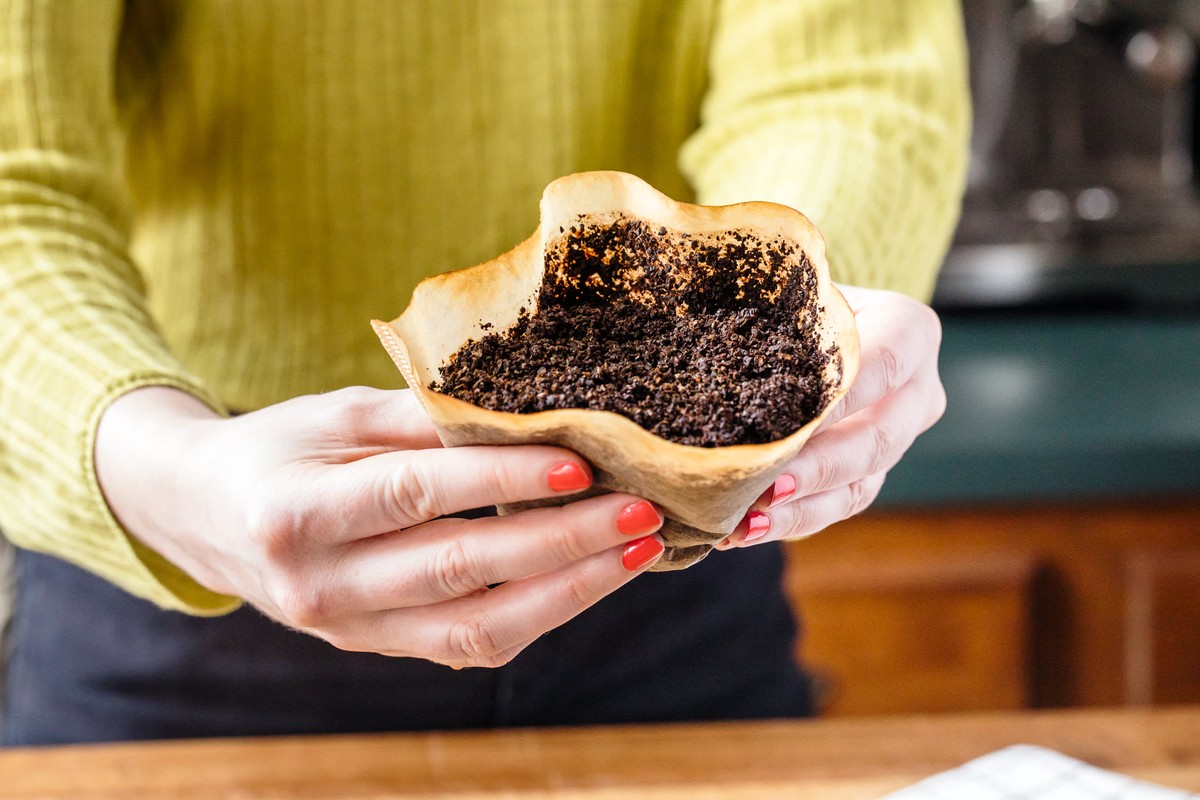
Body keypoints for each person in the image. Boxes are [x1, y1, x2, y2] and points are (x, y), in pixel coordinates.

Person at [0, 0, 968, 745]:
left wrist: (782, 320)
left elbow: (846, 84)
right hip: (201, 556)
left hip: (664, 565)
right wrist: (158, 455)